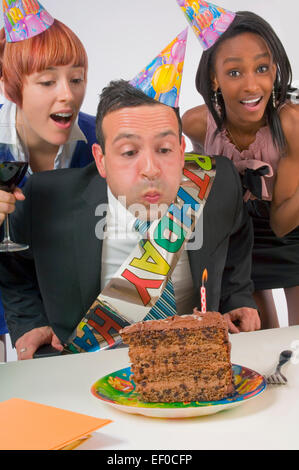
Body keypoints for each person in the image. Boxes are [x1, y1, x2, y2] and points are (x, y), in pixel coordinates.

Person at [0, 79, 260, 360]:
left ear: (182, 150)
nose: (150, 169)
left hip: (192, 359)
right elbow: (12, 263)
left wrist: (237, 297)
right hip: (84, 364)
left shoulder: (218, 183)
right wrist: (30, 321)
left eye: (164, 149)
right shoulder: (47, 197)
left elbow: (236, 239)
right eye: (129, 152)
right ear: (100, 159)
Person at [182, 10, 299, 329]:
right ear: (214, 78)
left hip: (289, 224)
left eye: (261, 68)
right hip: (238, 232)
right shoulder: (196, 124)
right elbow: (204, 190)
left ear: (274, 70)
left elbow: (280, 223)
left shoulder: (290, 124)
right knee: (256, 327)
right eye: (234, 72)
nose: (251, 85)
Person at [0, 12, 97, 349]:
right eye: (47, 82)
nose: (67, 95)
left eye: (76, 79)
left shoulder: (104, 140)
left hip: (83, 315)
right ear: (14, 87)